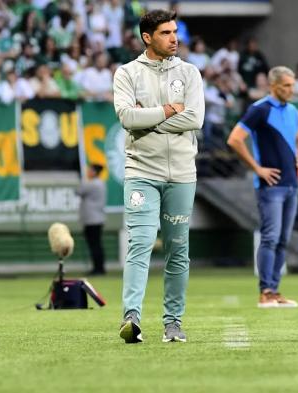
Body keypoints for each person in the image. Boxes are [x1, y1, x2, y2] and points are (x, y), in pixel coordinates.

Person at [113, 9, 204, 343]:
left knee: (178, 249)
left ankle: (173, 323)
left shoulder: (190, 73)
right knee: (140, 243)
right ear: (147, 37)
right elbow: (126, 117)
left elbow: (195, 119)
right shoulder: (126, 74)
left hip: (182, 173)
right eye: (166, 33)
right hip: (141, 172)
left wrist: (146, 118)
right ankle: (131, 318)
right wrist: (167, 110)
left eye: (175, 31)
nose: (174, 38)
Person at [227, 66, 298, 308]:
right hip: (270, 187)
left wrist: (296, 160)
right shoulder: (259, 110)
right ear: (273, 86)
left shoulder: (293, 111)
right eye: (286, 85)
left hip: (291, 184)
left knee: (282, 240)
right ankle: (265, 291)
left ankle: (275, 290)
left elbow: (291, 142)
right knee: (270, 237)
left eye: (292, 85)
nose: (291, 90)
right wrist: (257, 168)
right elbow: (234, 139)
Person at [76, 164, 107, 275]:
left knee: (94, 245)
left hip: (92, 220)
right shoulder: (100, 183)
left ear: (94, 172)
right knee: (96, 244)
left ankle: (98, 269)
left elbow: (78, 191)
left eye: (89, 170)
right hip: (97, 219)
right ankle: (99, 267)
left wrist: (81, 179)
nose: (88, 172)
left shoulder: (93, 184)